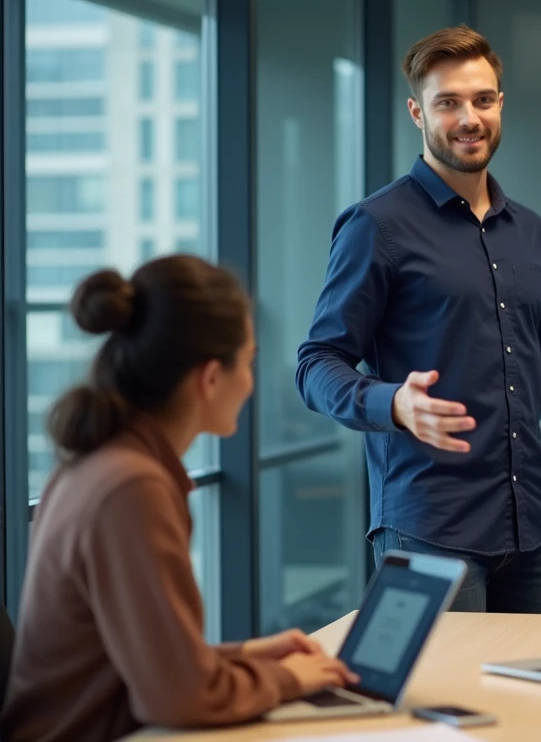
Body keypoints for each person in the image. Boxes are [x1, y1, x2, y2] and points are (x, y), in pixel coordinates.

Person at [295, 25, 541, 614]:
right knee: (443, 703)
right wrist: (392, 405)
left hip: (532, 532)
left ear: (500, 103)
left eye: (482, 100)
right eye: (448, 103)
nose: (469, 118)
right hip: (429, 531)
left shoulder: (531, 233)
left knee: (536, 704)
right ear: (417, 112)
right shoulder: (376, 226)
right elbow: (316, 365)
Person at [0, 257, 355, 742]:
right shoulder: (131, 488)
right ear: (210, 378)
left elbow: (135, 659)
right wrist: (289, 680)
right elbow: (181, 698)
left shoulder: (101, 461)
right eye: (248, 362)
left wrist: (245, 656)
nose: (251, 383)